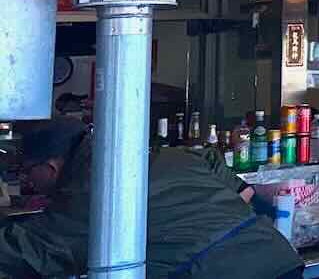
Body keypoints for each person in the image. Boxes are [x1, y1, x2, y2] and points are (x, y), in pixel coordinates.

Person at [0, 119, 303, 278]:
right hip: (278, 259)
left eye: (27, 171)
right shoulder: (160, 154)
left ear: (50, 167)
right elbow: (214, 164)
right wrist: (240, 193)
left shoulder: (90, 192)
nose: (26, 180)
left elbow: (29, 252)